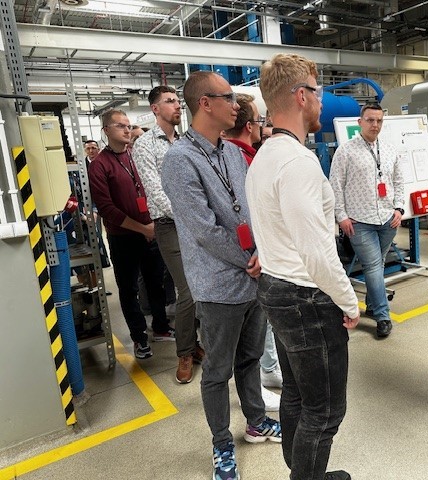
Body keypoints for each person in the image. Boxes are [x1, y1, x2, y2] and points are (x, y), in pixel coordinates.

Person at [161, 71, 281, 480]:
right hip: (218, 284)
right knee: (217, 371)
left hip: (252, 276)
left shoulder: (230, 152)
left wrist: (262, 251)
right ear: (205, 103)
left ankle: (256, 421)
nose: (237, 105)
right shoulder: (179, 160)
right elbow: (204, 229)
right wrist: (248, 256)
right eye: (228, 97)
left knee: (250, 359)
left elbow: (252, 207)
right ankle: (221, 445)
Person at [245, 53, 359, 480]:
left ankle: (303, 471)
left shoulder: (265, 156)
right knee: (325, 411)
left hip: (277, 288)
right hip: (306, 297)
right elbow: (317, 253)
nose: (322, 101)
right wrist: (349, 302)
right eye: (318, 91)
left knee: (296, 393)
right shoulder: (297, 163)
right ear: (300, 96)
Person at [88, 109, 175, 360]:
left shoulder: (137, 156)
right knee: (129, 289)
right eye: (120, 126)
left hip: (150, 231)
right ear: (106, 131)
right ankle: (139, 338)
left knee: (155, 283)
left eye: (128, 125)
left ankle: (160, 327)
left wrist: (152, 225)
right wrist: (143, 228)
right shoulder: (99, 166)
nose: (127, 130)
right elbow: (107, 209)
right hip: (123, 237)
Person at [132, 85, 204, 384]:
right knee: (187, 290)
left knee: (203, 285)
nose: (177, 105)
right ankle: (185, 352)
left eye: (177, 100)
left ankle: (197, 343)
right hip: (170, 225)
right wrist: (191, 216)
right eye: (170, 101)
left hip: (196, 222)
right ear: (155, 108)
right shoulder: (144, 145)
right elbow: (156, 192)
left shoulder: (187, 141)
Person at [223, 93, 284, 399]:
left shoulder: (247, 156)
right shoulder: (235, 159)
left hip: (256, 254)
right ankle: (256, 384)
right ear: (250, 126)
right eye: (260, 121)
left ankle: (268, 368)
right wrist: (256, 253)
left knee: (263, 322)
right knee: (247, 335)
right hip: (246, 260)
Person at [329, 103, 405, 338]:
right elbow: (335, 185)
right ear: (360, 122)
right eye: (370, 120)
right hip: (359, 221)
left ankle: (372, 305)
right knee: (372, 266)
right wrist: (341, 216)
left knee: (378, 265)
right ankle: (383, 316)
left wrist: (399, 208)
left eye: (379, 121)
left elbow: (399, 181)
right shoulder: (346, 151)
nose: (375, 125)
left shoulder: (390, 150)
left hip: (387, 219)